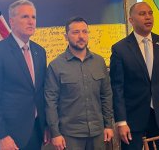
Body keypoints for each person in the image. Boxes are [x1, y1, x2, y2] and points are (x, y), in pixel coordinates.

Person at [109, 2, 159, 150]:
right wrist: (121, 122)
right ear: (131, 20)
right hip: (132, 119)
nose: (148, 17)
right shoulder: (120, 49)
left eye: (150, 13)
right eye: (142, 14)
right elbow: (117, 88)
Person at [0, 0, 47, 150]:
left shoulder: (40, 52)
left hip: (36, 131)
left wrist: (46, 125)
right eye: (25, 17)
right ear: (11, 21)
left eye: (34, 17)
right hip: (10, 136)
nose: (31, 22)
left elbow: (40, 92)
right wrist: (1, 136)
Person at [44, 16, 114, 150]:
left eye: (84, 32)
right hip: (70, 136)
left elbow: (106, 95)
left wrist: (108, 125)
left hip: (98, 133)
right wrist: (55, 133)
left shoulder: (99, 62)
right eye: (75, 32)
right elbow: (50, 102)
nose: (81, 36)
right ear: (66, 36)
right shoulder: (56, 66)